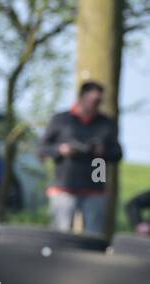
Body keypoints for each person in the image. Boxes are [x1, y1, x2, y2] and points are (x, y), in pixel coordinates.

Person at [38, 81, 123, 236]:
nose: (97, 105)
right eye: (94, 101)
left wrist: (102, 151)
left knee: (94, 235)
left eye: (99, 101)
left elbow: (118, 154)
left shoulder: (107, 123)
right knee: (60, 234)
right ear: (82, 97)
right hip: (64, 186)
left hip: (96, 185)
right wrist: (61, 150)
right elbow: (42, 148)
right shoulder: (61, 119)